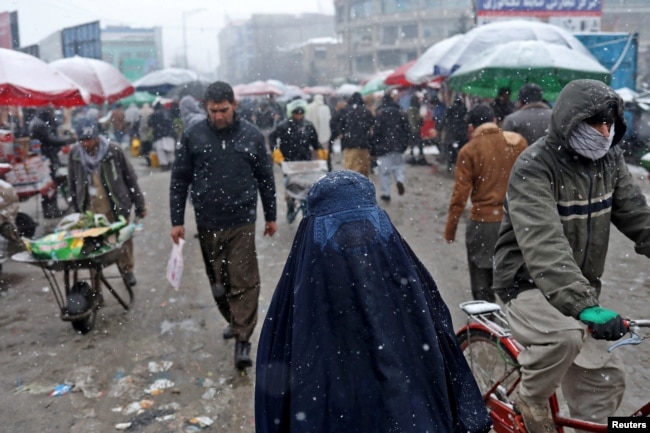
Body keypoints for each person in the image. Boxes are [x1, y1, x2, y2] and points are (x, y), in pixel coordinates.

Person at [255, 170, 492, 433]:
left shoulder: (300, 294)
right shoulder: (407, 280)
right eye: (340, 232)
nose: (355, 243)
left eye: (364, 229)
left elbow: (275, 389)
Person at [492, 79, 646, 432]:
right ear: (571, 122)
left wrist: (582, 299)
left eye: (610, 124)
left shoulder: (610, 160)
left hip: (579, 287)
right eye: (596, 123)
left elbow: (639, 217)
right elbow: (544, 244)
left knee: (604, 380)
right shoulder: (535, 166)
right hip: (528, 282)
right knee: (564, 336)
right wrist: (582, 304)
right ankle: (529, 398)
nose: (605, 133)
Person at [169, 81, 277, 371]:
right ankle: (234, 319)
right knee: (219, 281)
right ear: (206, 107)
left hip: (242, 219)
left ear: (235, 106)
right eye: (213, 110)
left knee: (243, 278)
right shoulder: (193, 136)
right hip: (207, 220)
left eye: (224, 110)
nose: (218, 116)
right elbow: (180, 179)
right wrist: (177, 220)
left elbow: (265, 177)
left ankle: (243, 339)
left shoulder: (252, 136)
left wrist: (271, 215)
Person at [444, 104, 527, 302]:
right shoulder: (517, 143)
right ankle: (514, 326)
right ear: (495, 120)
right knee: (513, 282)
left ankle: (487, 326)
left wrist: (451, 228)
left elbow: (460, 195)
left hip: (483, 224)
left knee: (482, 286)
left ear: (471, 127)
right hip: (514, 221)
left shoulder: (469, 150)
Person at [67, 117, 147, 287]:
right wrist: (76, 208)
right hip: (90, 208)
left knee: (123, 238)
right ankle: (97, 280)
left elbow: (130, 178)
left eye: (89, 139)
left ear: (96, 137)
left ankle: (127, 270)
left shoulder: (113, 151)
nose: (85, 144)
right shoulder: (74, 154)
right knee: (92, 246)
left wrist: (140, 204)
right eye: (82, 140)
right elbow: (72, 182)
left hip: (116, 204)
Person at [29, 107, 76, 219]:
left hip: (45, 158)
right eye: (52, 112)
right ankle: (50, 210)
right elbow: (50, 140)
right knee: (50, 184)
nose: (54, 114)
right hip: (45, 159)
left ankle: (51, 209)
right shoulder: (39, 124)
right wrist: (67, 140)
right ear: (47, 112)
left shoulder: (39, 122)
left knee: (50, 184)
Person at [372, 92, 412, 202]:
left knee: (384, 171)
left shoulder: (380, 114)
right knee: (398, 166)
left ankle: (386, 193)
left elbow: (377, 132)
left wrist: (375, 146)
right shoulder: (401, 113)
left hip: (383, 148)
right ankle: (400, 179)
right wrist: (404, 144)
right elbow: (407, 130)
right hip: (398, 146)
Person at [339, 92, 375, 176]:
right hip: (363, 144)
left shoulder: (346, 111)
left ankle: (351, 183)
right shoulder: (366, 111)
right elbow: (373, 124)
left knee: (350, 167)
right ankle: (362, 184)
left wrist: (344, 134)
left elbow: (340, 125)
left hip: (349, 144)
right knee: (363, 168)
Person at [436, 96, 468, 172]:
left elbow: (444, 118)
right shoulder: (464, 109)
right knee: (460, 149)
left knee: (449, 147)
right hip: (461, 132)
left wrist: (439, 128)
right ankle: (459, 163)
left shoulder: (450, 109)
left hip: (451, 132)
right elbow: (466, 119)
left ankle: (450, 163)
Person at [148, 102, 175, 171]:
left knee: (160, 151)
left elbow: (150, 124)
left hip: (159, 134)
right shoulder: (168, 112)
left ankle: (164, 165)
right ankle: (171, 163)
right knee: (170, 151)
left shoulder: (155, 114)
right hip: (170, 134)